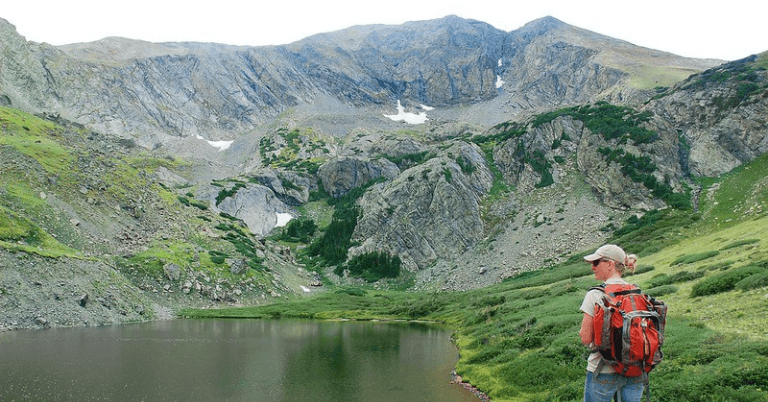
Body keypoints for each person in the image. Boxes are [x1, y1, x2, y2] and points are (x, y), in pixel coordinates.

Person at [579, 244, 644, 402]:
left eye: (596, 263)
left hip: (603, 370)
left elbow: (586, 338)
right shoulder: (636, 291)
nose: (592, 267)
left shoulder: (595, 294)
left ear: (610, 264)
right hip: (635, 369)